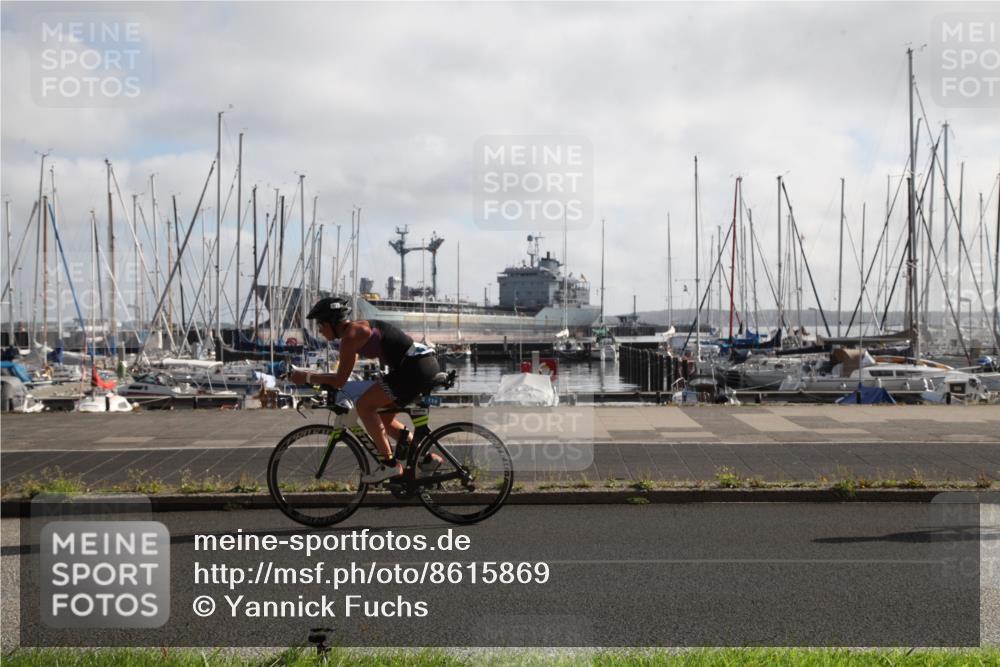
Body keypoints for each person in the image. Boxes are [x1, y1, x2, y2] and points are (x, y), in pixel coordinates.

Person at [289, 297, 442, 483]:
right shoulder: (353, 334)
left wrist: (305, 377)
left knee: (364, 406)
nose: (320, 330)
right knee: (384, 417)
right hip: (416, 367)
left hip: (412, 369)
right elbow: (342, 378)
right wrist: (309, 376)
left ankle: (389, 465)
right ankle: (426, 459)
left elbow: (338, 381)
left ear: (332, 322)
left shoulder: (352, 336)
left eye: (321, 324)